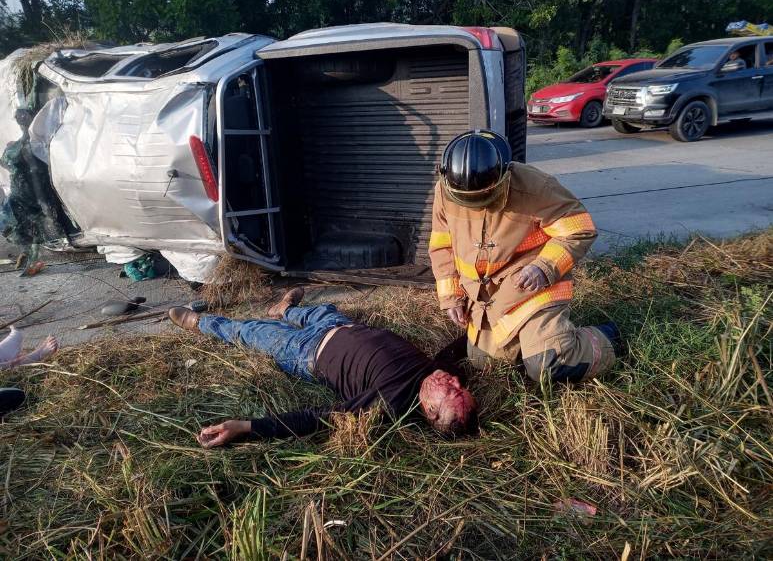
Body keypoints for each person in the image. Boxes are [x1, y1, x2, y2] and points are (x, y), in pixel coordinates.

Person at [167, 287, 478, 447]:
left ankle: (201, 323)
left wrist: (246, 427)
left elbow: (319, 418)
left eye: (450, 391)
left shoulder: (390, 402)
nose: (453, 380)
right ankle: (286, 308)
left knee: (250, 332)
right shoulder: (442, 373)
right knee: (319, 311)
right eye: (461, 386)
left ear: (430, 410)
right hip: (341, 325)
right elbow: (455, 349)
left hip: (305, 353)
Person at [428, 130, 621, 383]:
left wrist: (544, 267)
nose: (479, 206)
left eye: (486, 197)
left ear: (505, 176)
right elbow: (442, 245)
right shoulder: (445, 190)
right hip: (488, 300)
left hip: (533, 290)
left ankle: (608, 337)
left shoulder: (537, 187)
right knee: (482, 362)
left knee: (548, 365)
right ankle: (532, 341)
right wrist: (452, 297)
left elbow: (579, 229)